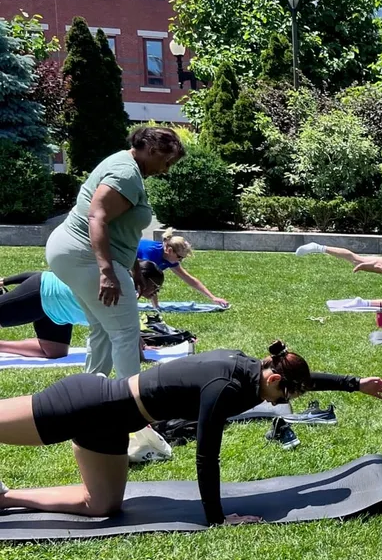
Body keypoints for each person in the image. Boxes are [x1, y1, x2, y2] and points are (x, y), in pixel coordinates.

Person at [0, 341, 382, 525]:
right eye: (284, 395)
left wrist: (354, 383)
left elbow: (303, 381)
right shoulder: (226, 387)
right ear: (273, 377)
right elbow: (206, 456)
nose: (282, 403)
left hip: (111, 427)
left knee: (101, 506)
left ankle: (5, 498)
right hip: (87, 404)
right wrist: (218, 518)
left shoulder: (252, 370)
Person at [45, 126, 185, 380]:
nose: (166, 169)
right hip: (83, 253)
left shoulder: (126, 164)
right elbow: (97, 218)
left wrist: (134, 272)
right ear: (151, 150)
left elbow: (121, 231)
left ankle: (90, 396)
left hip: (71, 251)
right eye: (166, 162)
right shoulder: (125, 174)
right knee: (126, 333)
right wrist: (107, 272)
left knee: (102, 327)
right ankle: (131, 409)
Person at [0, 264, 166, 360]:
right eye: (156, 287)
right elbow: (125, 328)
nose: (156, 292)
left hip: (60, 314)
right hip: (44, 293)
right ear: (144, 279)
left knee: (55, 352)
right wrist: (141, 358)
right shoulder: (124, 286)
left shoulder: (127, 289)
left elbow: (127, 325)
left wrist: (141, 346)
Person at [137, 230, 229, 308]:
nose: (180, 261)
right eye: (179, 257)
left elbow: (188, 278)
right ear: (169, 251)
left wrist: (213, 297)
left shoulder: (169, 257)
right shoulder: (150, 254)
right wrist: (156, 307)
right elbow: (149, 280)